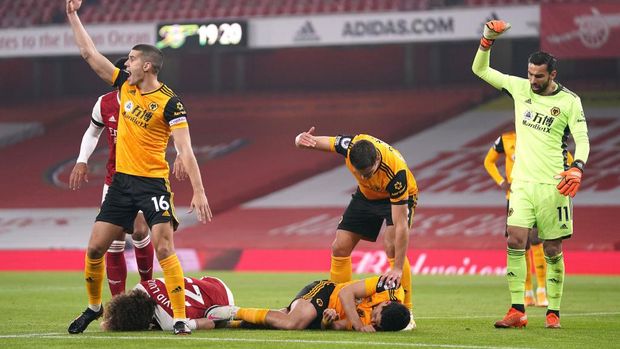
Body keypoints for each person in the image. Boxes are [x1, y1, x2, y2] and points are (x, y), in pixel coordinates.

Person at [66, 0, 213, 335]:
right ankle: (93, 306)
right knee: (95, 248)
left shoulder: (170, 103)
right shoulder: (124, 87)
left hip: (153, 184)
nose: (126, 63)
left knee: (164, 248)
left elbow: (185, 149)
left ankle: (179, 317)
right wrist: (73, 16)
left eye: (132, 59)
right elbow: (91, 55)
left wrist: (199, 190)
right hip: (121, 184)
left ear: (147, 66)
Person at [473, 20, 590, 329]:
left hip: (554, 185)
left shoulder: (569, 101)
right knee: (514, 239)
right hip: (521, 184)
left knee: (552, 248)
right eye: (529, 74)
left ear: (552, 75)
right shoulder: (520, 88)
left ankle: (553, 310)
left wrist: (577, 167)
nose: (533, 80)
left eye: (539, 76)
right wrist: (487, 40)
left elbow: (583, 138)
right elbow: (480, 70)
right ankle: (517, 310)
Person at [294, 128, 417, 330]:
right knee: (340, 247)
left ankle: (407, 311)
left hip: (396, 199)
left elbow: (402, 225)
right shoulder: (350, 146)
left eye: (367, 173)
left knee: (391, 246)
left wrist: (396, 268)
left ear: (377, 160)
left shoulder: (397, 174)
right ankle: (336, 306)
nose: (364, 176)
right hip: (367, 197)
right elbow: (316, 141)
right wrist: (301, 140)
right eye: (360, 173)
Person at [484, 129, 558, 307]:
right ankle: (527, 292)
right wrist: (501, 182)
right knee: (520, 243)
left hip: (536, 196)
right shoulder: (505, 139)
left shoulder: (540, 135)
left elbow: (566, 157)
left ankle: (542, 290)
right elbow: (488, 161)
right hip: (514, 197)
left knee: (536, 239)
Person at [205, 276, 410, 332]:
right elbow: (347, 292)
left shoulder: (376, 325)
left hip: (324, 312)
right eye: (375, 314)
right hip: (326, 292)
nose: (372, 319)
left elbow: (335, 326)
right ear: (386, 304)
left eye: (375, 323)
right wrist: (357, 324)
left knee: (281, 322)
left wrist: (328, 322)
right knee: (293, 323)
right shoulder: (388, 287)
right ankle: (234, 311)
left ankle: (230, 323)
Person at [101, 276, 234, 332]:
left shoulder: (170, 322)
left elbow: (209, 323)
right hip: (213, 282)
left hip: (224, 301)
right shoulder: (142, 286)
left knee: (211, 315)